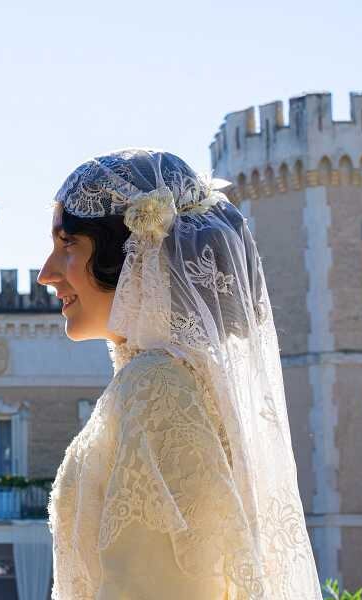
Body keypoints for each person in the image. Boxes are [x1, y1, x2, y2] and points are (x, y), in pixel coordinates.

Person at [38, 149, 321, 599]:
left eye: (67, 244)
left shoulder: (157, 388)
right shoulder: (168, 381)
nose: (45, 274)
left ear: (130, 250)